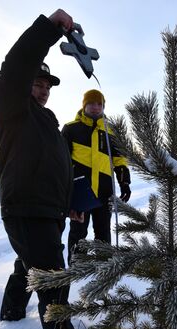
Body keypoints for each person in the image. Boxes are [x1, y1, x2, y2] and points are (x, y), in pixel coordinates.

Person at [0, 9, 82, 329]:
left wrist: (70, 204)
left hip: (49, 211)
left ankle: (12, 314)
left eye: (47, 87)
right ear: (24, 84)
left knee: (26, 266)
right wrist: (48, 29)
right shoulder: (11, 109)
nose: (43, 91)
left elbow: (58, 166)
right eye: (37, 84)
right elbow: (16, 64)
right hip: (26, 208)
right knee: (55, 281)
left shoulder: (47, 120)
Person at [61, 89, 131, 265]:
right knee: (78, 232)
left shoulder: (111, 133)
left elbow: (119, 159)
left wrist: (124, 182)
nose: (95, 107)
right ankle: (76, 266)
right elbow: (61, 162)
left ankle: (104, 266)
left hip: (104, 192)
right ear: (84, 105)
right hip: (80, 193)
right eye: (91, 103)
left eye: (99, 104)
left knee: (103, 232)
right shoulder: (71, 129)